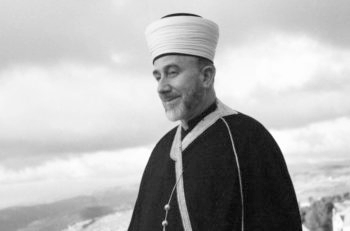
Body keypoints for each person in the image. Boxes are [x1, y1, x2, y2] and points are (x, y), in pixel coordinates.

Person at [128, 13, 302, 231]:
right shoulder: (161, 149)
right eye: (157, 76)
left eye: (172, 73)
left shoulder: (249, 140)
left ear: (206, 76)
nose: (161, 87)